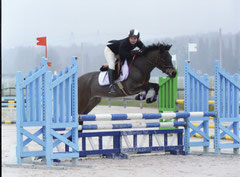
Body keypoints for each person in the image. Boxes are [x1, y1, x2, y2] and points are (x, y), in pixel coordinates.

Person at [104, 29, 145, 93]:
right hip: (110, 50)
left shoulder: (138, 42)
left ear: (137, 39)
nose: (133, 40)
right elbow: (122, 55)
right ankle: (111, 85)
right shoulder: (125, 43)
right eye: (131, 38)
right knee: (112, 65)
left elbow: (144, 49)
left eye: (135, 38)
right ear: (129, 38)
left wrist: (141, 51)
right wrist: (133, 52)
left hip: (120, 51)